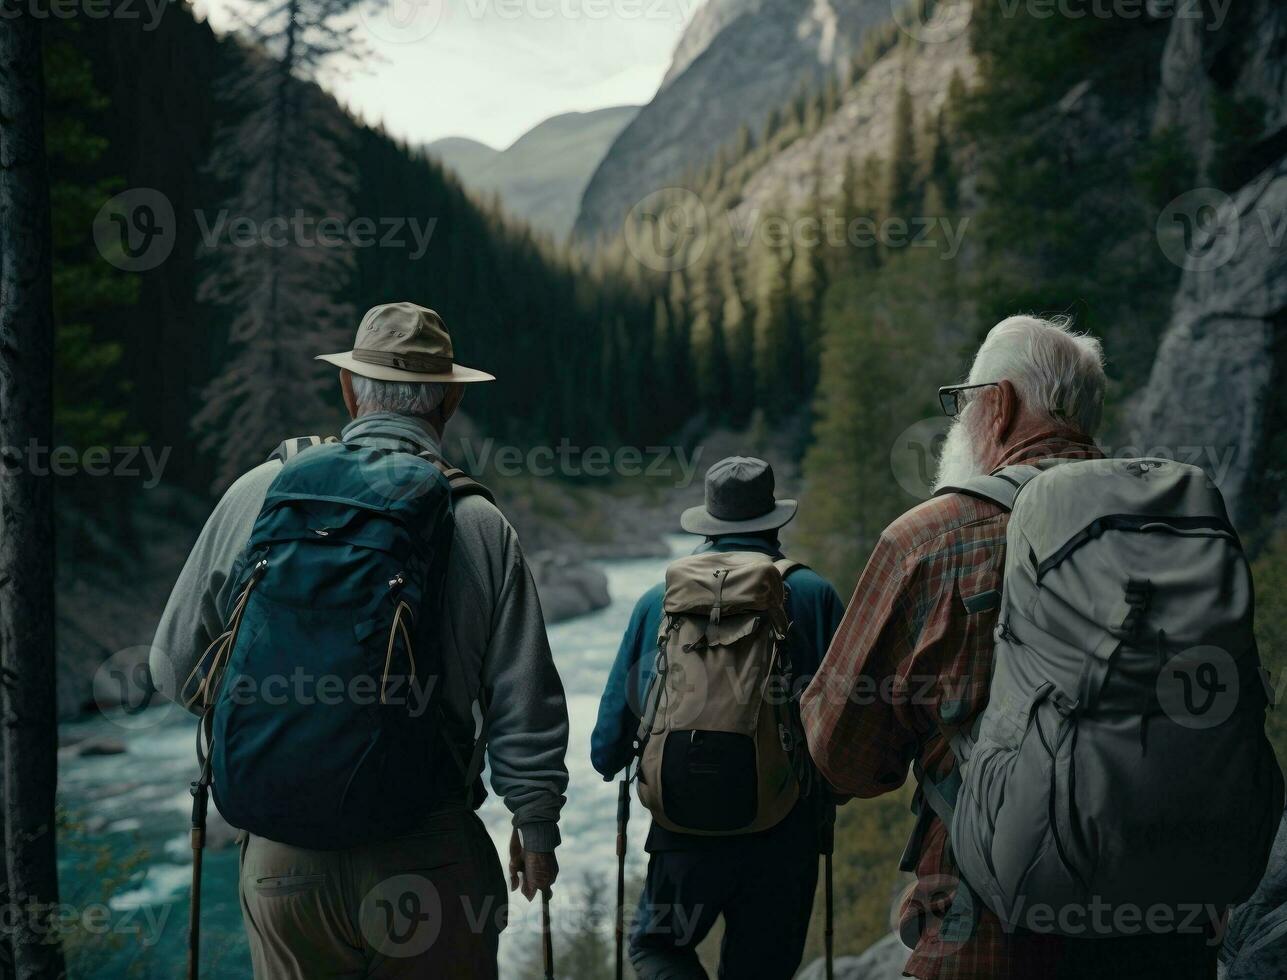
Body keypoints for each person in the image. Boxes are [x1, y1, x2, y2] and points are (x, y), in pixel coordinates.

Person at [151, 301, 569, 979]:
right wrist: (538, 828)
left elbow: (171, 668)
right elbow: (524, 704)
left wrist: (282, 720)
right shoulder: (479, 523)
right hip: (426, 853)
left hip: (282, 858)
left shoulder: (260, 491)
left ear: (349, 390)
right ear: (449, 402)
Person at [800, 314, 1223, 980]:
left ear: (993, 406)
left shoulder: (929, 540)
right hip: (1164, 925)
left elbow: (841, 756)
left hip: (994, 933)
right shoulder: (1177, 531)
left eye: (960, 403)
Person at [591, 456, 845, 980]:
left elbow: (608, 742)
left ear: (707, 525)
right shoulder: (814, 595)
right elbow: (845, 722)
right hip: (784, 831)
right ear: (774, 522)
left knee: (658, 949)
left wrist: (617, 760)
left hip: (683, 826)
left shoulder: (658, 602)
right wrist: (832, 795)